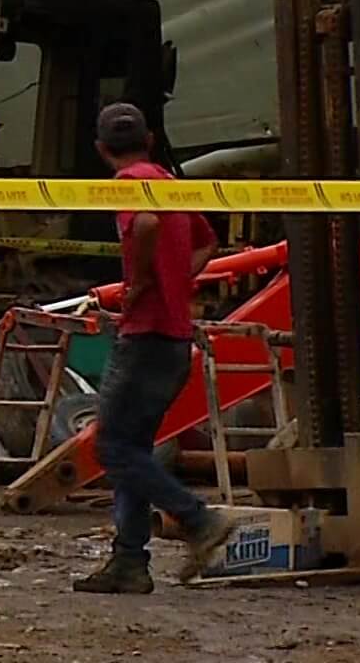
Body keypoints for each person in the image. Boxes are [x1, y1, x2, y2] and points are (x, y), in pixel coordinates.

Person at [73, 101, 231, 594]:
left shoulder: (129, 185)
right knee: (133, 451)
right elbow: (210, 242)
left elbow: (144, 225)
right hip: (175, 339)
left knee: (111, 447)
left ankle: (198, 520)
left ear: (101, 149)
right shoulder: (169, 182)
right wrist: (177, 281)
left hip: (144, 336)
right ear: (152, 138)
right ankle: (129, 563)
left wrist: (140, 283)